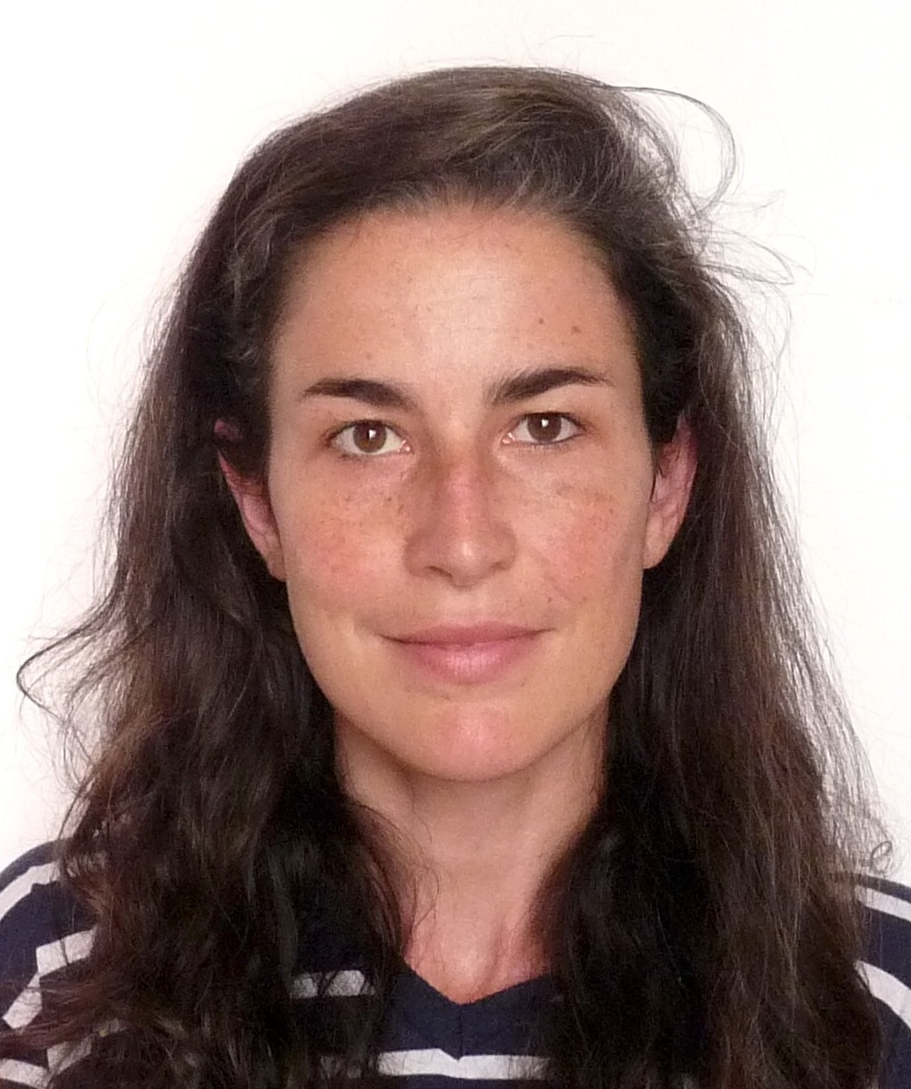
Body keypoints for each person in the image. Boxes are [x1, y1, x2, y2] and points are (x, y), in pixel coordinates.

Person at [0, 65, 909, 1089]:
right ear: (257, 501)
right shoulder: (49, 980)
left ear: (665, 483)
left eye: (543, 426)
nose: (462, 541)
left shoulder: (873, 1005)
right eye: (368, 435)